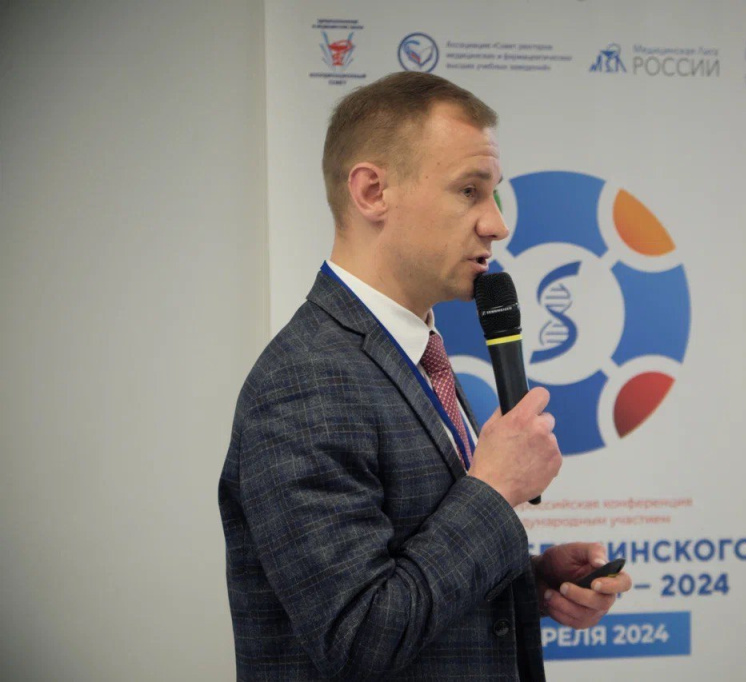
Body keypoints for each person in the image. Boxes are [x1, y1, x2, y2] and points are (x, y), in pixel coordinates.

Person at [218, 71, 632, 681]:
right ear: (372, 192)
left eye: (492, 195)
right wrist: (495, 491)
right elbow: (361, 636)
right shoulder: (306, 382)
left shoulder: (413, 353)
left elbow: (410, 568)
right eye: (469, 190)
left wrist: (530, 583)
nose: (497, 224)